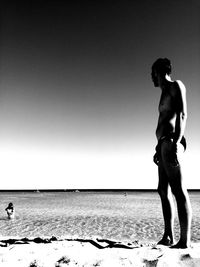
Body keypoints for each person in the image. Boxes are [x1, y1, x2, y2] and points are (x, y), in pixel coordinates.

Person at [151, 58, 192, 248]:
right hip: (163, 144)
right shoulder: (163, 93)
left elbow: (182, 114)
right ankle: (168, 235)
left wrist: (176, 141)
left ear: (159, 71)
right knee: (162, 189)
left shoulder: (176, 85)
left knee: (178, 190)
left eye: (153, 73)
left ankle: (184, 241)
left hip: (172, 141)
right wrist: (157, 148)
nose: (152, 77)